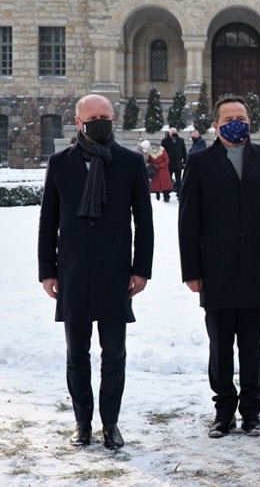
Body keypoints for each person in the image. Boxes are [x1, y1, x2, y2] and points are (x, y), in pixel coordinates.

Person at [38, 94, 154, 450]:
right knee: (77, 354)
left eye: (105, 115)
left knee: (114, 353)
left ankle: (111, 423)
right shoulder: (60, 164)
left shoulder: (131, 163)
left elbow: (144, 222)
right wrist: (47, 271)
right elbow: (49, 222)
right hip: (72, 272)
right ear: (79, 122)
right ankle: (82, 422)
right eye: (94, 117)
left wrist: (141, 269)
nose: (101, 121)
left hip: (115, 272)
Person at [178, 95, 260, 439]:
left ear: (250, 122)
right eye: (228, 118)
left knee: (252, 346)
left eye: (240, 117)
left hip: (257, 267)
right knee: (221, 346)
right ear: (216, 125)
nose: (234, 122)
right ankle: (224, 410)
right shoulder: (199, 163)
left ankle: (252, 413)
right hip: (216, 269)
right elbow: (188, 222)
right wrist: (191, 271)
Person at [161, 127, 187, 194]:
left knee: (178, 180)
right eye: (172, 132)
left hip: (178, 164)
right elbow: (162, 152)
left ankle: (179, 194)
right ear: (169, 133)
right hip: (168, 164)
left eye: (174, 132)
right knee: (167, 180)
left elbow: (184, 151)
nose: (173, 133)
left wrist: (185, 161)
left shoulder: (181, 140)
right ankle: (166, 194)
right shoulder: (165, 141)